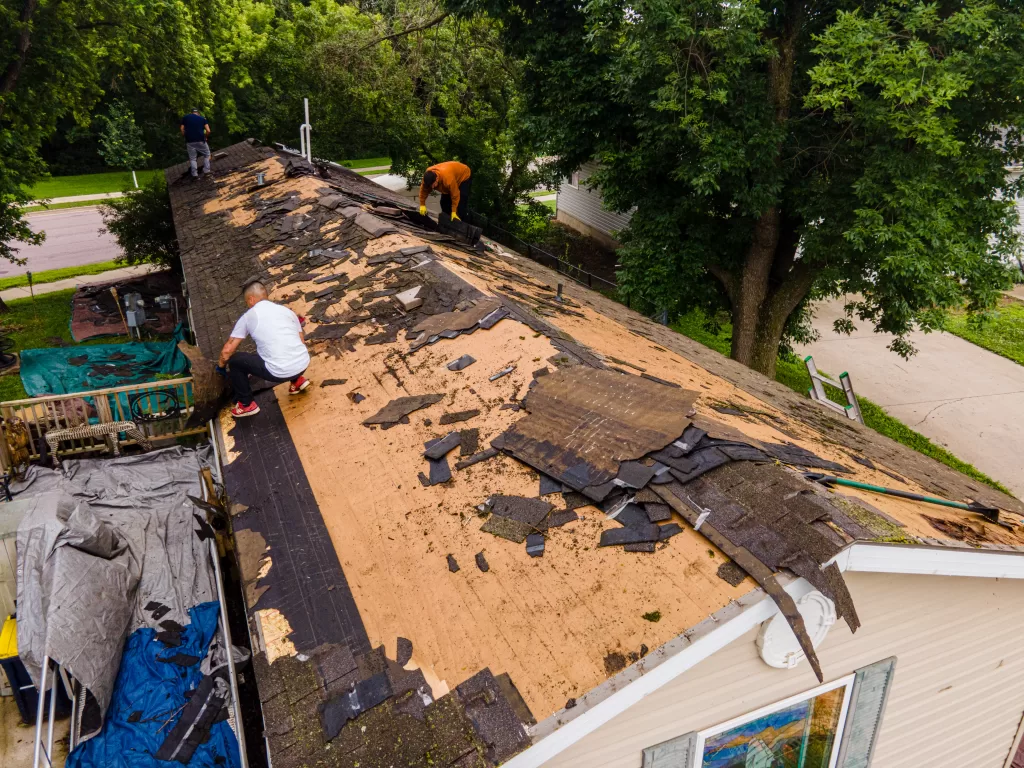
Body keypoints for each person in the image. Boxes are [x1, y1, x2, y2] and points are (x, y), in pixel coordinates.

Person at [218, 282, 311, 418]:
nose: (248, 305)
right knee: (283, 344)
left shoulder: (249, 316)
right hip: (303, 363)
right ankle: (297, 381)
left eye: (247, 302)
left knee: (236, 361)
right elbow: (300, 340)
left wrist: (220, 367)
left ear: (251, 299)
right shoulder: (286, 311)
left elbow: (227, 350)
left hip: (279, 372)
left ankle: (246, 404)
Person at [180, 108, 211, 179]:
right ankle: (206, 171)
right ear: (198, 113)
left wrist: (185, 136)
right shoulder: (202, 119)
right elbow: (208, 131)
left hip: (190, 141)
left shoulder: (185, 118)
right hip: (200, 140)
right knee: (207, 155)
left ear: (191, 113)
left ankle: (194, 174)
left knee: (193, 158)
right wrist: (205, 137)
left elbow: (182, 129)